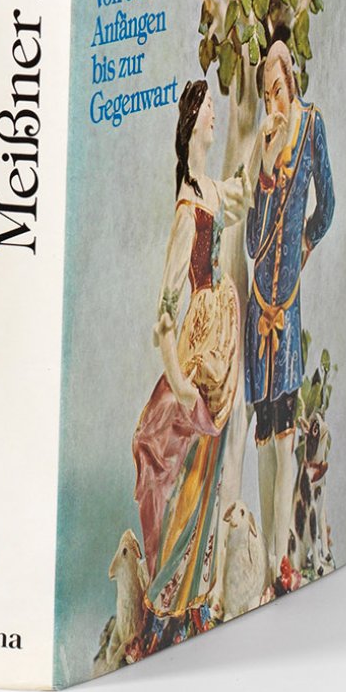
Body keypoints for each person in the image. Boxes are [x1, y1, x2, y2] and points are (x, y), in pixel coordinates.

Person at [133, 80, 248, 635]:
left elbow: (240, 191)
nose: (213, 117)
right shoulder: (187, 209)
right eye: (206, 111)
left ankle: (197, 592)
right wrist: (178, 380)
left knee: (211, 457)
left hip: (222, 336)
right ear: (191, 124)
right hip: (200, 343)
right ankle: (170, 595)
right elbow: (164, 308)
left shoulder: (210, 189)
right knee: (186, 461)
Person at [246, 39, 334, 590]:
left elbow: (329, 203)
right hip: (258, 306)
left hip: (288, 301)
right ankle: (264, 564)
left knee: (285, 433)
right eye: (265, 95)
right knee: (263, 429)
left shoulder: (312, 127)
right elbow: (252, 242)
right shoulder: (267, 149)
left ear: (291, 82)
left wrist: (306, 241)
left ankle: (280, 560)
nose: (273, 102)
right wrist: (263, 171)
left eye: (277, 89)